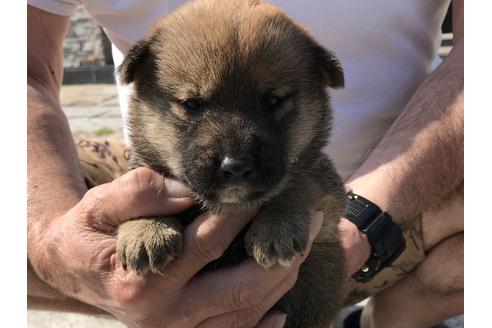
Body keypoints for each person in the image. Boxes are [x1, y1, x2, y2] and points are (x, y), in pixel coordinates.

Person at [27, 0, 463, 327]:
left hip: (396, 203)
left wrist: (344, 219)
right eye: (192, 105)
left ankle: (394, 316)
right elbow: (21, 66)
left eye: (273, 102)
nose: (234, 155)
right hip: (152, 176)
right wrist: (55, 239)